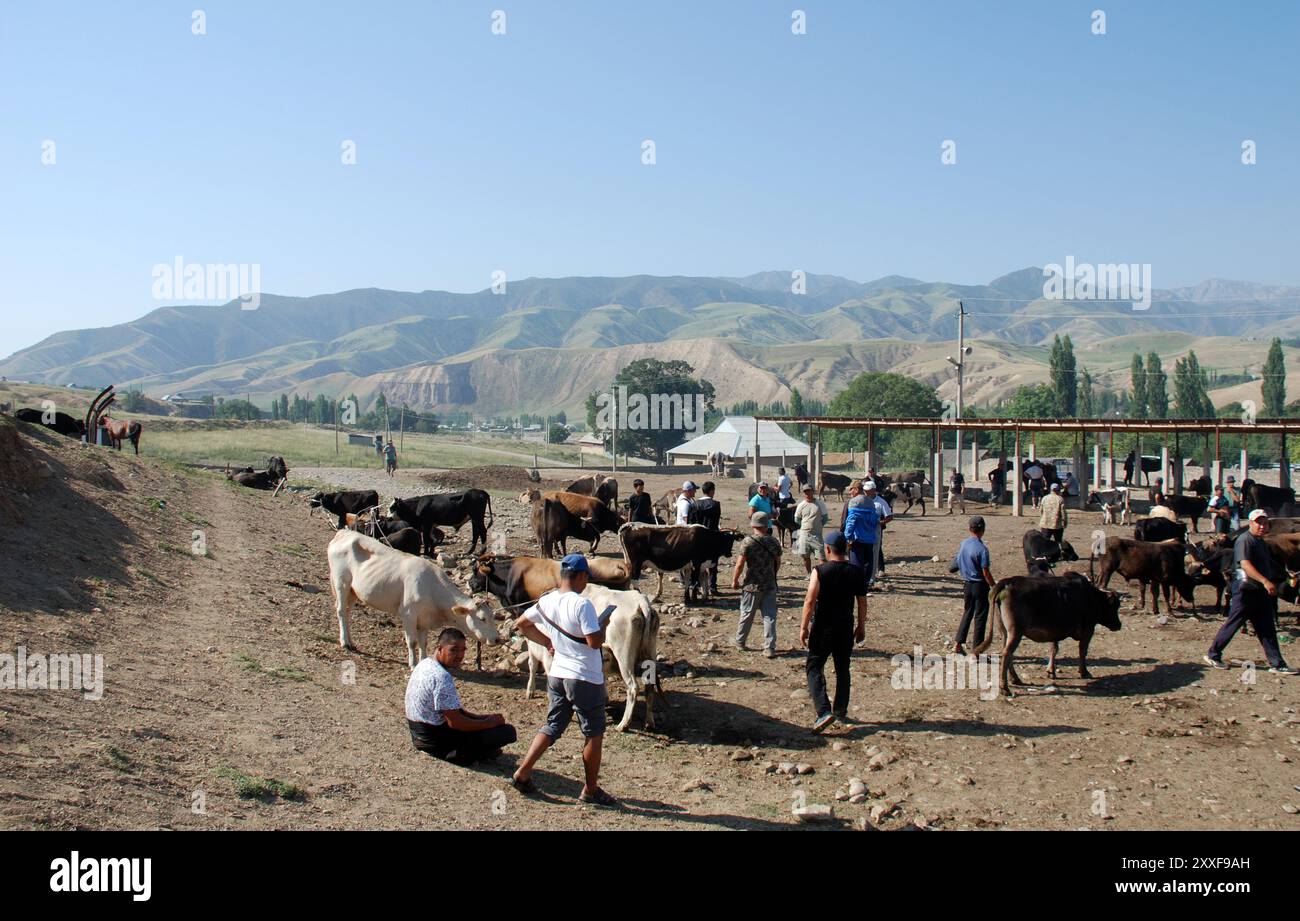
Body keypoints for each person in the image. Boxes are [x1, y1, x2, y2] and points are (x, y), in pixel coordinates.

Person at [511, 555, 619, 806]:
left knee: (553, 725)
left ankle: (523, 771)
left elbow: (522, 624)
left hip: (558, 674)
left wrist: (548, 641)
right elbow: (593, 643)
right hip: (584, 676)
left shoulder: (547, 600)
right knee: (594, 733)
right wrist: (605, 623)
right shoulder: (582, 605)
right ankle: (590, 790)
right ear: (581, 576)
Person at [1204, 511, 1297, 675]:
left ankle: (1277, 663)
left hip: (1259, 591)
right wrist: (1265, 581)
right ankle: (1213, 654)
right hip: (1246, 590)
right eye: (1258, 523)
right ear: (1251, 523)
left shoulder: (1260, 542)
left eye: (1264, 523)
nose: (1262, 526)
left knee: (1267, 627)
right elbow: (1245, 565)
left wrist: (1284, 576)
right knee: (1233, 623)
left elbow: (1267, 564)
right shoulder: (1245, 540)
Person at [405, 628, 517, 765]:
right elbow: (456, 722)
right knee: (507, 732)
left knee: (491, 727)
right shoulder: (442, 677)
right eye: (454, 650)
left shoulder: (424, 663)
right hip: (434, 741)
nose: (459, 655)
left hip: (418, 735)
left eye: (463, 650)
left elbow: (452, 710)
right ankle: (458, 754)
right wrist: (489, 723)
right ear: (440, 648)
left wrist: (483, 718)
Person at [800, 529, 868, 733]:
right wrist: (861, 625)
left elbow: (810, 600)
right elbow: (862, 602)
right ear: (846, 548)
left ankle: (823, 711)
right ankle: (840, 709)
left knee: (814, 667)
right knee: (842, 668)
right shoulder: (856, 571)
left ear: (827, 549)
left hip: (823, 626)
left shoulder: (820, 571)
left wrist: (803, 626)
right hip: (845, 625)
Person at [732, 511, 782, 657]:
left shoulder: (748, 541)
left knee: (747, 613)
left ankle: (740, 641)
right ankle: (769, 647)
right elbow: (777, 562)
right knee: (769, 616)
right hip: (769, 584)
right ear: (767, 525)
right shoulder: (773, 541)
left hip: (751, 585)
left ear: (753, 524)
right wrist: (771, 573)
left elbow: (740, 564)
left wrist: (735, 579)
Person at [949, 517, 995, 656]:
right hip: (980, 585)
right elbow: (985, 571)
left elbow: (956, 563)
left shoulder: (964, 544)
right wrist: (994, 585)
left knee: (967, 612)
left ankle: (958, 643)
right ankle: (976, 651)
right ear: (983, 529)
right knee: (980, 617)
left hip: (967, 585)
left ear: (970, 528)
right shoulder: (982, 549)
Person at [841, 481, 881, 584]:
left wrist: (847, 537)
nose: (850, 492)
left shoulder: (854, 502)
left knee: (856, 564)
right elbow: (874, 520)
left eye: (851, 489)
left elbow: (851, 521)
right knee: (868, 563)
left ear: (857, 489)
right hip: (870, 538)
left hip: (857, 539)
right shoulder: (871, 502)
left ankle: (856, 586)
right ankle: (865, 584)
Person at [688, 481, 723, 595]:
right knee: (713, 564)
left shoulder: (694, 504)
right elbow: (716, 522)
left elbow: (691, 523)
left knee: (697, 564)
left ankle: (696, 586)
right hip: (712, 538)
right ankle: (712, 586)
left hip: (697, 539)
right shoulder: (716, 505)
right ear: (712, 491)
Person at [794, 482, 829, 573]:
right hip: (804, 534)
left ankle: (824, 575)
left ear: (812, 491)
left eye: (809, 491)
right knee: (805, 556)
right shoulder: (801, 505)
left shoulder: (820, 503)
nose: (807, 493)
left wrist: (818, 526)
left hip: (816, 534)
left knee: (822, 557)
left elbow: (825, 518)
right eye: (805, 491)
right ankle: (809, 574)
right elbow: (797, 519)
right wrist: (804, 526)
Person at [864, 479, 893, 586]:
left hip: (875, 531)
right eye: (865, 490)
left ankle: (872, 577)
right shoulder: (862, 500)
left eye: (868, 490)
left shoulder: (881, 502)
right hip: (862, 530)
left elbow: (889, 516)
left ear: (874, 490)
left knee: (874, 553)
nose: (866, 492)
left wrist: (880, 523)